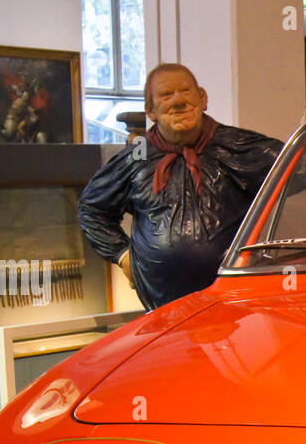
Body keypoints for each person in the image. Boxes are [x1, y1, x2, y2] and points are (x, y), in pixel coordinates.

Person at [78, 63, 284, 311]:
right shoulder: (138, 156)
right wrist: (122, 256)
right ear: (150, 111)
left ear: (203, 98)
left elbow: (298, 167)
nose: (178, 101)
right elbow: (92, 209)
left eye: (185, 91)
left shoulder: (236, 145)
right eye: (166, 95)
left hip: (235, 304)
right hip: (162, 307)